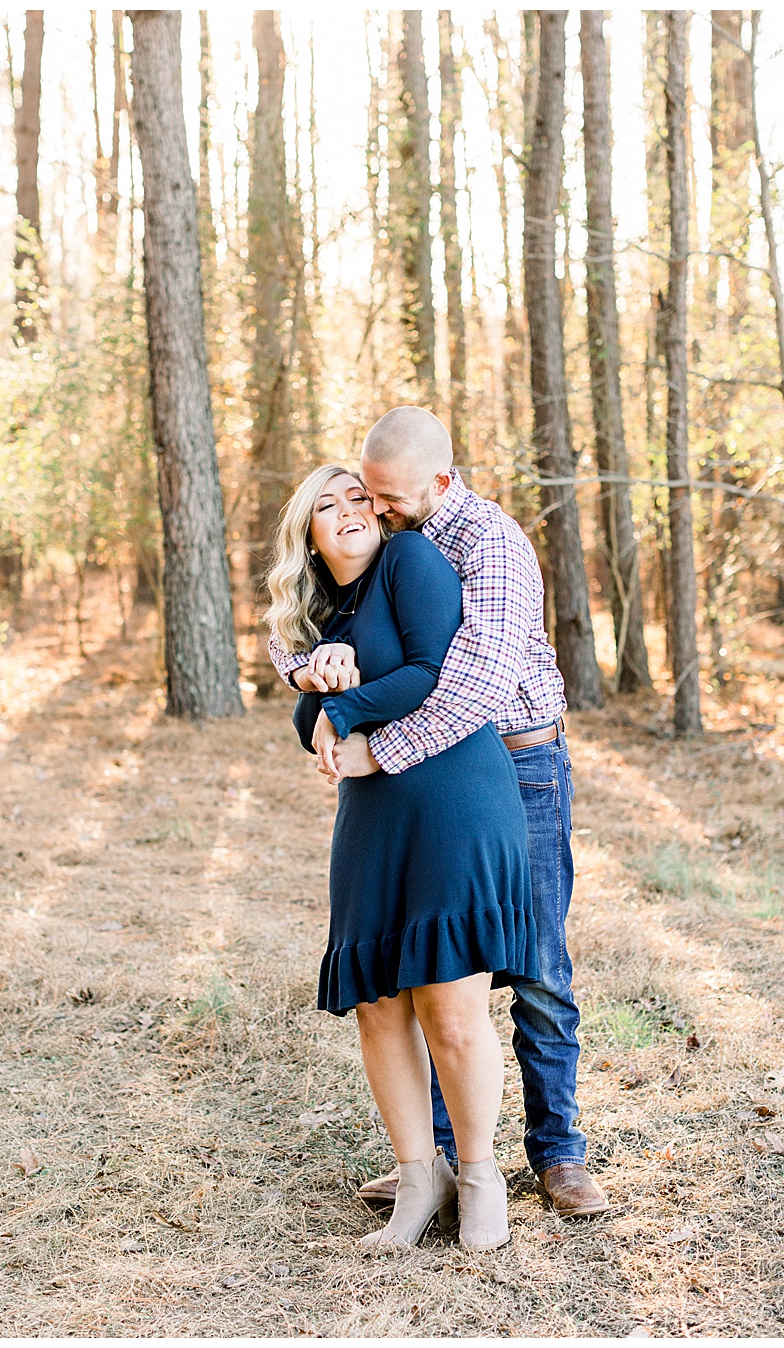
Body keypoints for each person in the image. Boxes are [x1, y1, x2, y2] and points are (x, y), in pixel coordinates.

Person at [268, 407, 609, 1220]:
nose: (375, 510)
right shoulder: (386, 536)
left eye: (387, 498)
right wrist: (309, 673)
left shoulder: (489, 543)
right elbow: (303, 624)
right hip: (436, 776)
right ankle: (443, 1159)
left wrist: (377, 749)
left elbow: (473, 686)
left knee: (537, 966)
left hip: (517, 761)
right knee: (433, 967)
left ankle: (558, 1153)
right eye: (367, 493)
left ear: (441, 482)